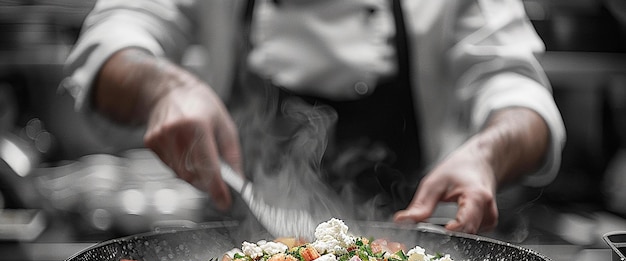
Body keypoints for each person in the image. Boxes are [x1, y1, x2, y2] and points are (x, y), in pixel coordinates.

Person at [63, 0, 566, 235]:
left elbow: (520, 92)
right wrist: (163, 87)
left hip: (411, 246)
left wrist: (485, 154)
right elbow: (110, 38)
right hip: (230, 247)